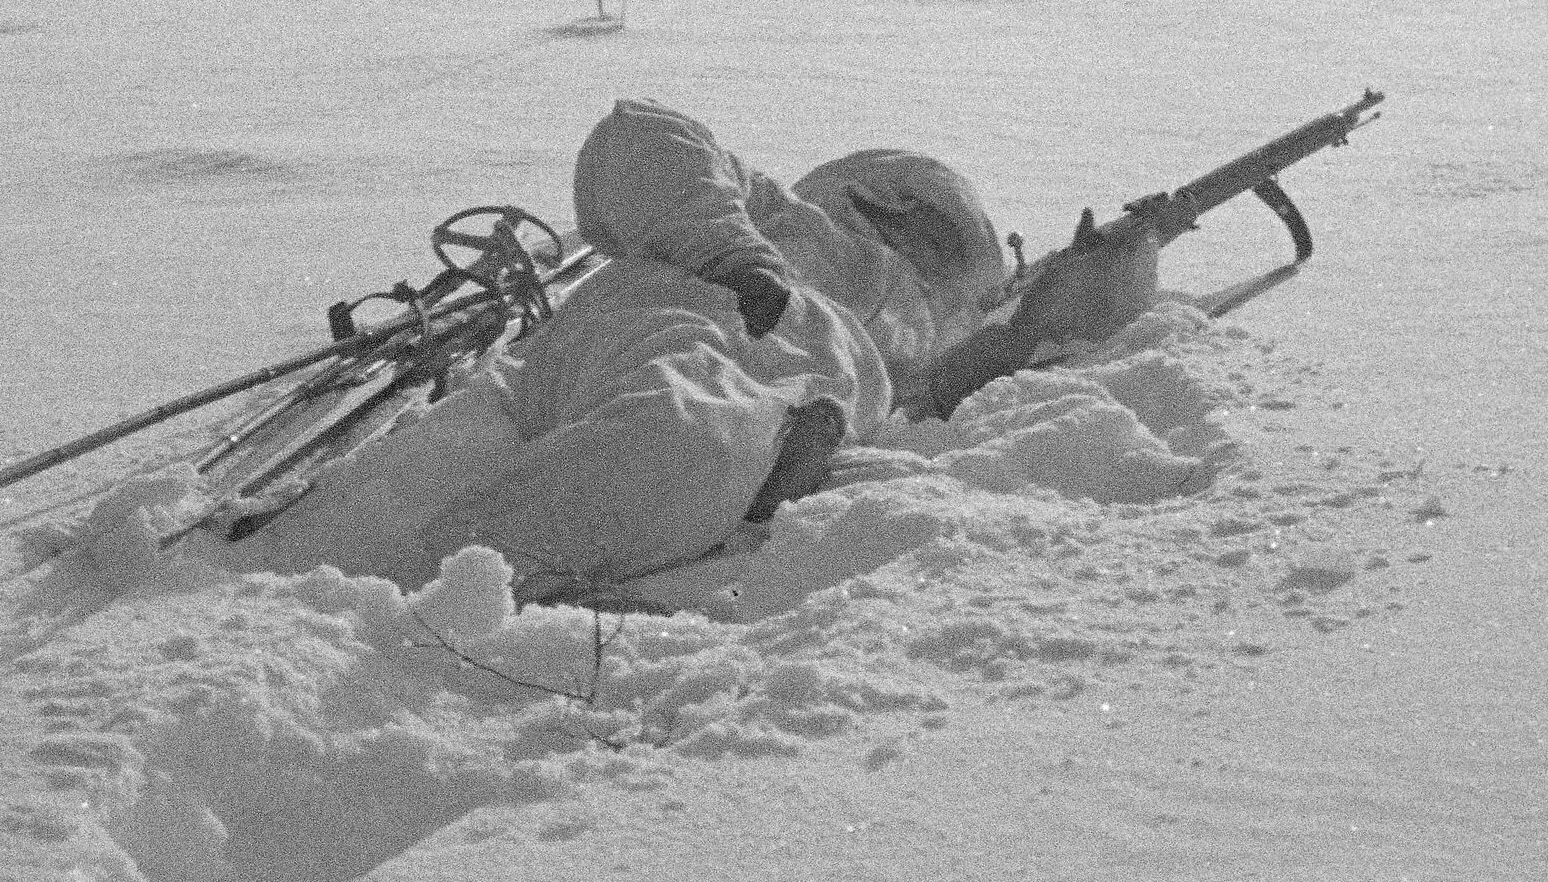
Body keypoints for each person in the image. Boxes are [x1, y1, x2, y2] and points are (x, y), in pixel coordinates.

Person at [230, 99, 1158, 596]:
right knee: (680, 432)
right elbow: (638, 138)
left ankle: (758, 467)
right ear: (885, 199)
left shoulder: (926, 338)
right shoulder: (775, 214)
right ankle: (438, 598)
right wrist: (734, 254)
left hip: (813, 387)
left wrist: (1091, 288)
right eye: (940, 229)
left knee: (720, 438)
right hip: (691, 308)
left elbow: (991, 366)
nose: (940, 252)